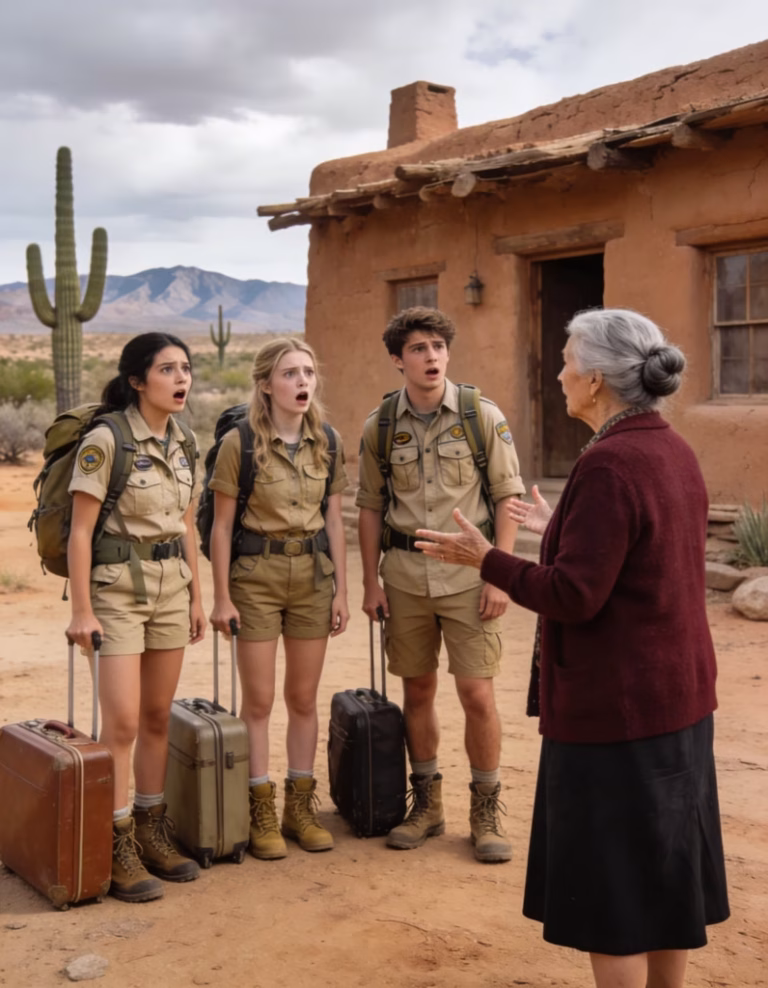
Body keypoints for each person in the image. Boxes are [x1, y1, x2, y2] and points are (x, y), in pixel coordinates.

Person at [414, 308, 730, 988]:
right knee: (664, 875)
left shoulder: (610, 463)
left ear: (595, 380)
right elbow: (638, 557)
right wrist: (561, 530)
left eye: (566, 361)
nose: (557, 374)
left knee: (615, 892)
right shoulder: (667, 447)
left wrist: (487, 559)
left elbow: (575, 596)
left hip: (618, 713)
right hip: (675, 701)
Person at [356, 306, 525, 862]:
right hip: (404, 578)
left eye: (437, 347)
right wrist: (370, 582)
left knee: (477, 692)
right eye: (418, 349)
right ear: (398, 360)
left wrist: (500, 574)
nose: (431, 357)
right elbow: (370, 509)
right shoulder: (380, 426)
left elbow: (507, 499)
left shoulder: (480, 415)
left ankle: (486, 808)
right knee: (417, 690)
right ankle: (427, 804)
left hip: (469, 577)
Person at [66, 332, 206, 903]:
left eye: (186, 369)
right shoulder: (107, 440)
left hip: (172, 590)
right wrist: (80, 610)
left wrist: (198, 594)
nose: (181, 379)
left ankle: (152, 831)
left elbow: (188, 523)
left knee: (156, 718)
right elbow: (79, 531)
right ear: (136, 380)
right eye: (167, 369)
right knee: (120, 724)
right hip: (116, 594)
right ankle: (116, 839)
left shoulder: (186, 441)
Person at [208, 338, 348, 860]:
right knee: (260, 701)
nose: (302, 382)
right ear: (266, 383)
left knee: (304, 700)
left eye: (308, 372)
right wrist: (221, 597)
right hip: (255, 577)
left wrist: (342, 590)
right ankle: (260, 807)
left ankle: (300, 807)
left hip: (312, 577)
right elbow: (221, 527)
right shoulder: (239, 443)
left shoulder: (327, 441)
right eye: (290, 374)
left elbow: (334, 519)